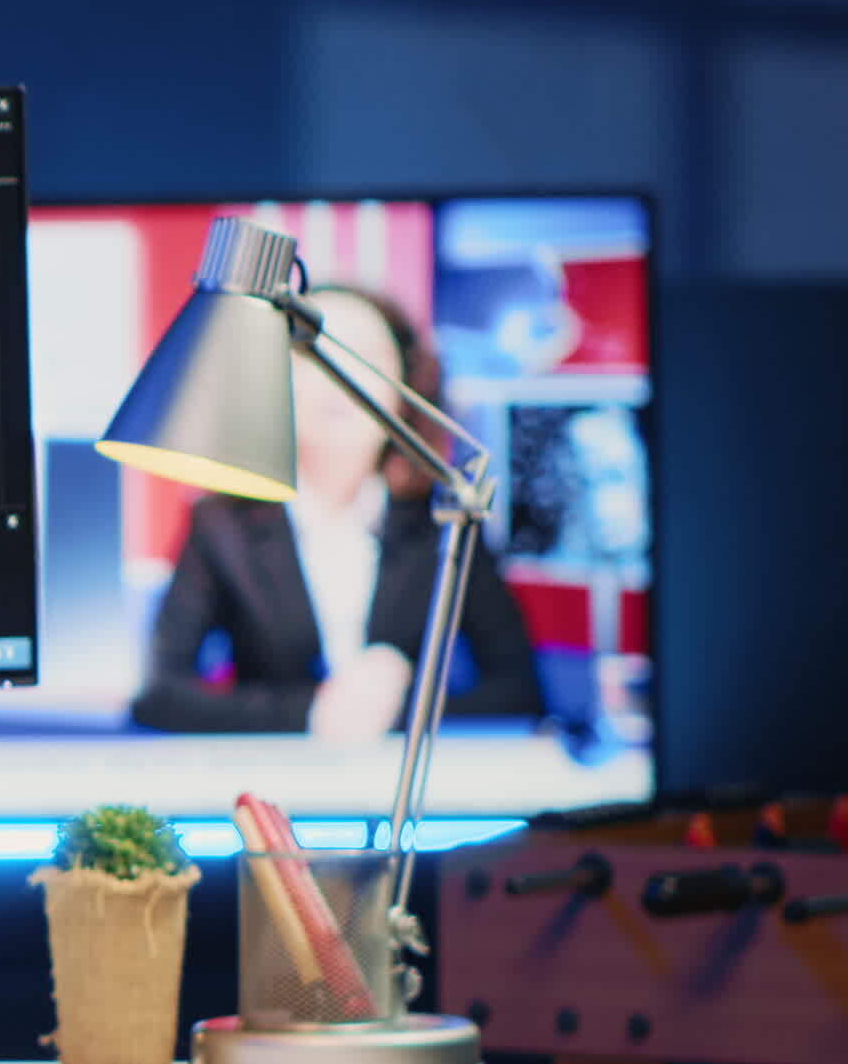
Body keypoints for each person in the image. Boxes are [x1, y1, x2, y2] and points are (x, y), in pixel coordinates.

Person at [128, 285, 543, 739]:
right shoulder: (222, 522)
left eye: (363, 357)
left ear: (404, 386)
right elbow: (160, 696)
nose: (339, 377)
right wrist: (313, 713)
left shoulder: (445, 520)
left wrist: (391, 713)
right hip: (276, 780)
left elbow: (519, 691)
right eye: (313, 354)